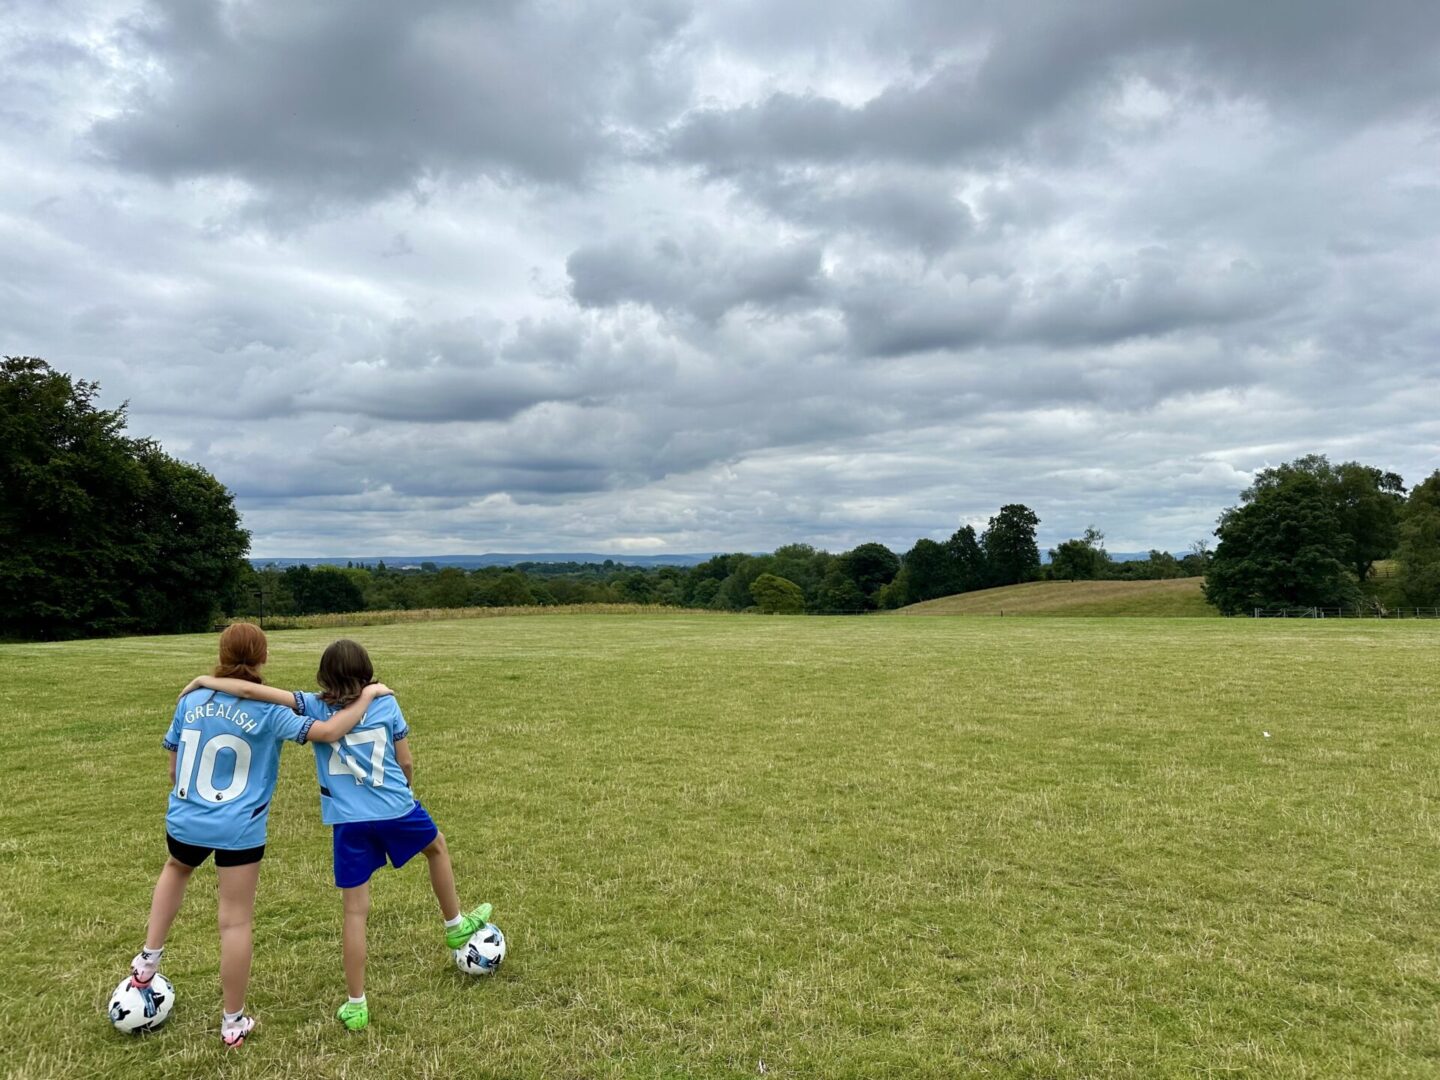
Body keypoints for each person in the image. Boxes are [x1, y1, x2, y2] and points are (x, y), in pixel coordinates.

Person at [186, 637, 493, 1032]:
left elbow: (249, 689)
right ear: (366, 671)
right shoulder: (385, 702)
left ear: (324, 675)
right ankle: (455, 927)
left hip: (348, 822)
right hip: (396, 809)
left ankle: (356, 1004)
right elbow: (406, 759)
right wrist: (407, 791)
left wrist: (204, 681)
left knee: (355, 912)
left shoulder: (313, 705)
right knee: (436, 848)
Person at [127, 622, 390, 1048]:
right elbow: (326, 732)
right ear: (263, 657)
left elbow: (174, 767)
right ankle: (232, 1022)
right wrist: (369, 696)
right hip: (240, 827)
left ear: (222, 653)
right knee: (235, 921)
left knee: (176, 868)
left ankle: (148, 959)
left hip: (186, 817)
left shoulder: (191, 698)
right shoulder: (271, 711)